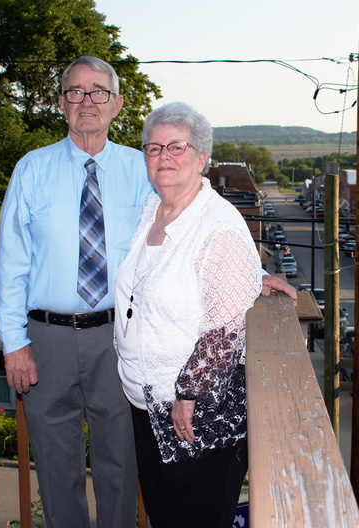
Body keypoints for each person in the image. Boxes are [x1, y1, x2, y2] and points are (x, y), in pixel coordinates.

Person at [0, 57, 295, 528]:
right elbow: (11, 262)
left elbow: (195, 216)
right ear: (61, 103)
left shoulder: (145, 167)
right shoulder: (32, 170)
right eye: (75, 92)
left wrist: (252, 273)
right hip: (46, 339)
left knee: (121, 463)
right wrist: (14, 342)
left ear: (117, 104)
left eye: (99, 92)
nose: (87, 102)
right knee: (54, 465)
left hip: (116, 341)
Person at [114, 102, 261, 528]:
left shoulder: (218, 226)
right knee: (165, 516)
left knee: (195, 518)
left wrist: (187, 394)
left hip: (194, 416)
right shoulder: (153, 209)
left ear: (201, 158)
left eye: (176, 147)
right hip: (146, 404)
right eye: (154, 147)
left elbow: (227, 326)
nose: (164, 156)